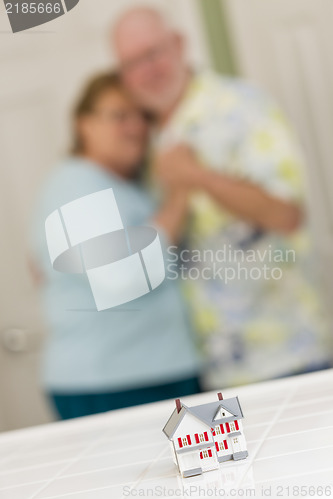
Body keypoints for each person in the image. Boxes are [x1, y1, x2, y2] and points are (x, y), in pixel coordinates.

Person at [112, 6, 332, 388]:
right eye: (132, 63)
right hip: (215, 370)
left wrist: (197, 176)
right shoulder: (143, 138)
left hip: (288, 356)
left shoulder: (241, 107)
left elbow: (286, 214)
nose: (147, 71)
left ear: (179, 45)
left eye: (153, 53)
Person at [30, 73, 200, 419]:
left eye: (143, 116)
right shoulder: (75, 183)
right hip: (111, 381)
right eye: (119, 116)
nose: (136, 127)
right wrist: (182, 193)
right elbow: (119, 276)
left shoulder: (125, 185)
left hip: (150, 371)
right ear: (84, 124)